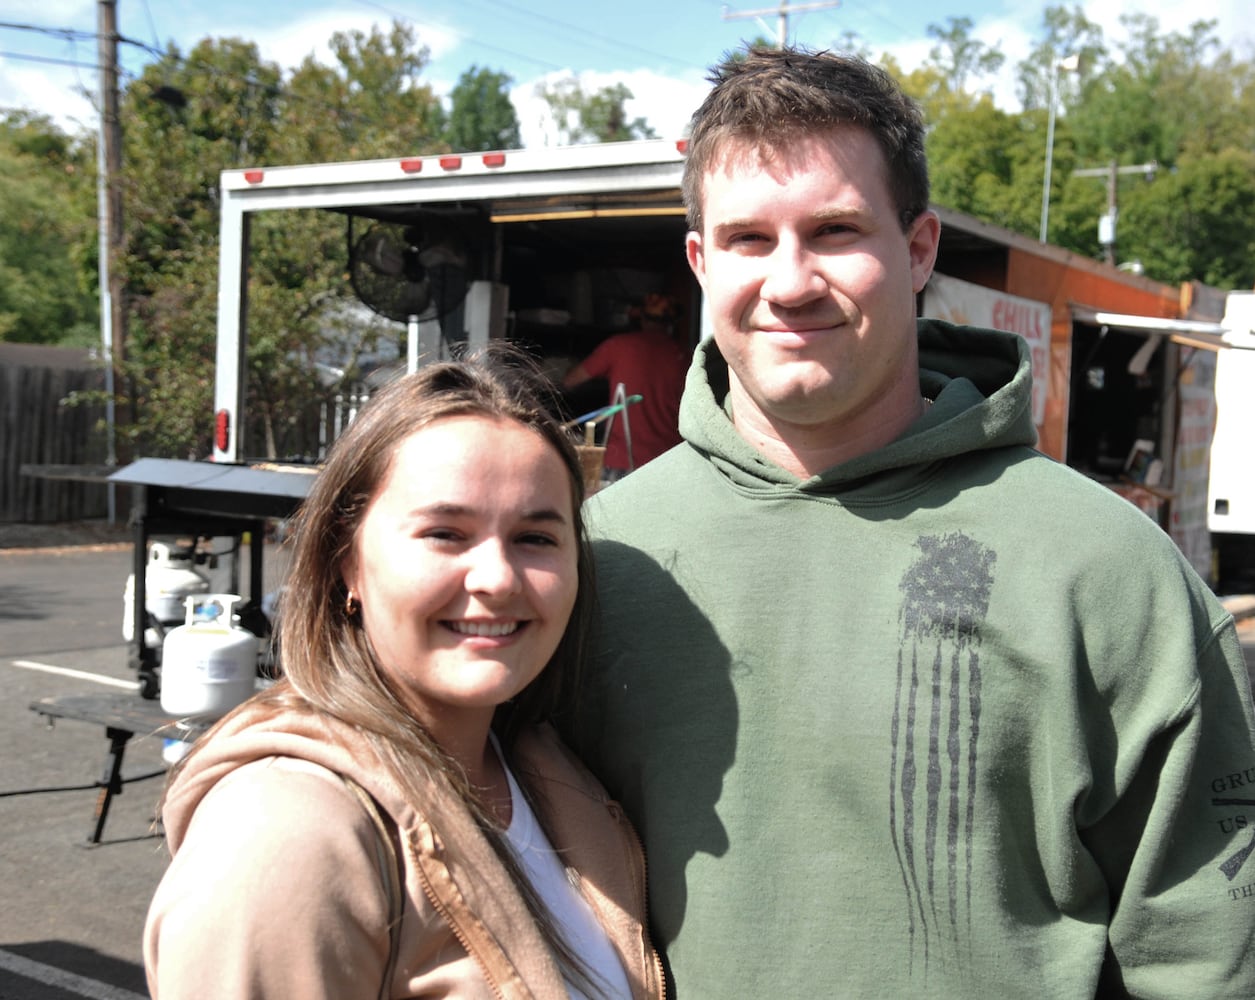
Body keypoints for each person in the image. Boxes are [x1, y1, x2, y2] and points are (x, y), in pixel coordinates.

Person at [567, 46, 1255, 997]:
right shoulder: (595, 558)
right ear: (698, 260)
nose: (791, 280)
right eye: (748, 240)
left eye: (835, 230)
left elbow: (1208, 953)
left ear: (919, 247)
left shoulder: (1105, 571)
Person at [144, 349, 664, 999]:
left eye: (535, 538)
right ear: (346, 564)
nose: (497, 579)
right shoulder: (286, 835)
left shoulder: (545, 772)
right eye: (446, 533)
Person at [562, 293, 690, 480]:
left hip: (620, 462)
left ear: (641, 319)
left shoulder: (617, 347)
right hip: (667, 464)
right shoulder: (685, 357)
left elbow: (570, 381)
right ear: (672, 324)